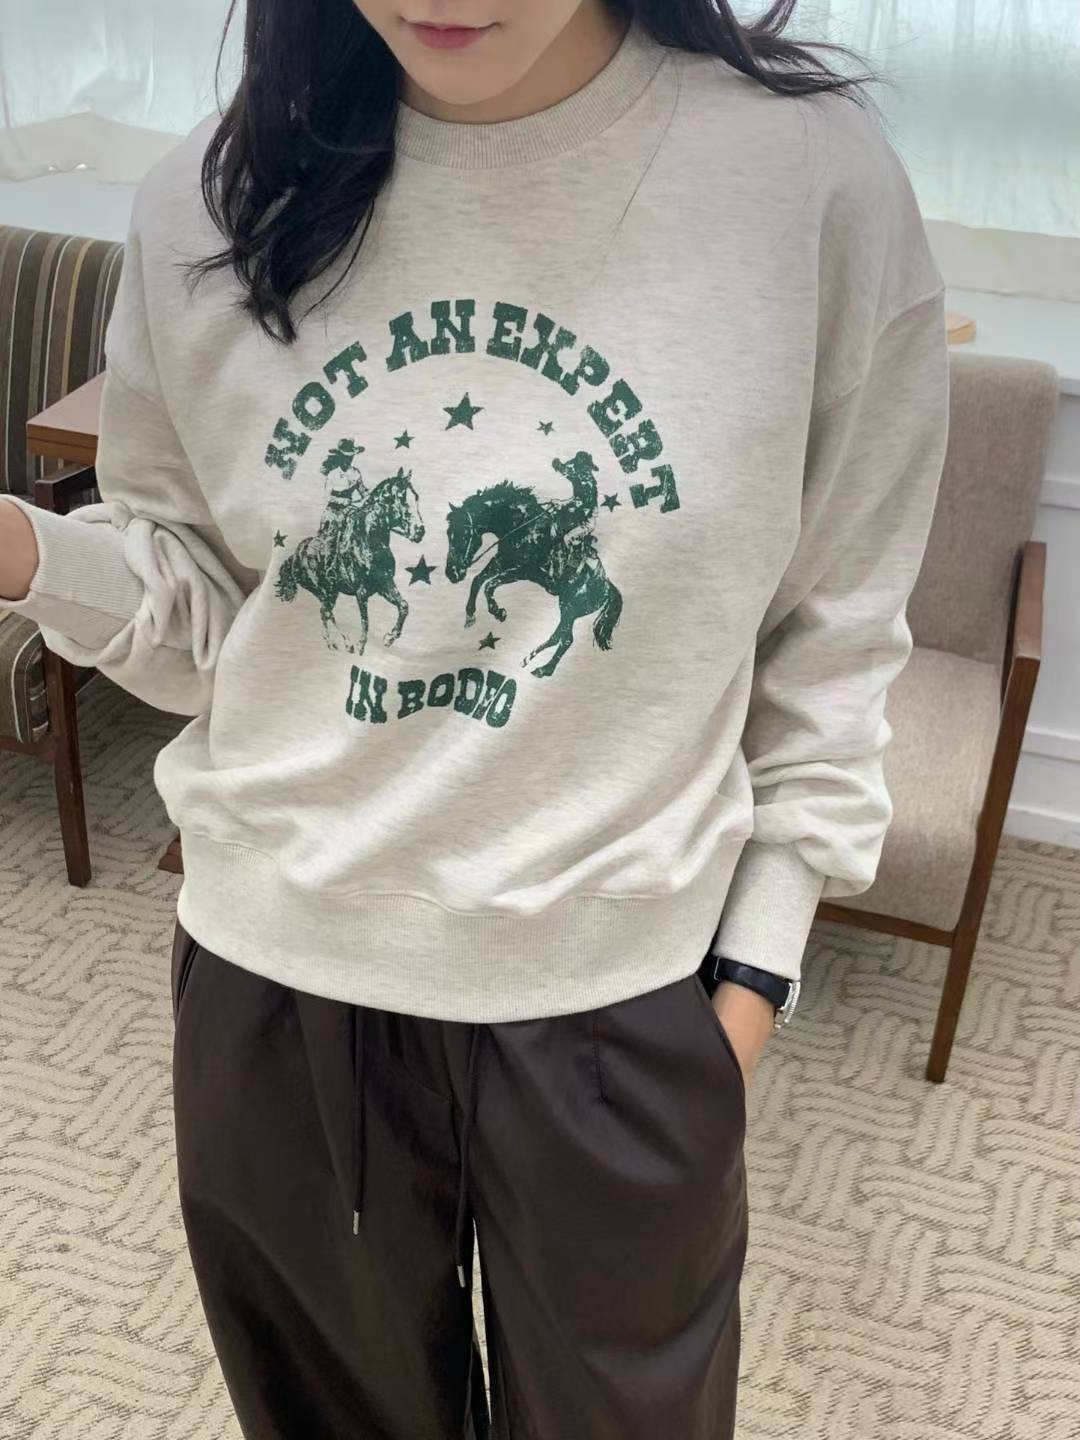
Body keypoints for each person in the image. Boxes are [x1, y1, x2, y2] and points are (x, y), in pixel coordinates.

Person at [0, 1, 950, 1435]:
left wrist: (749, 984)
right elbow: (212, 618)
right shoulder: (212, 195)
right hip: (279, 982)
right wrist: (23, 551)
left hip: (623, 999)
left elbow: (835, 639)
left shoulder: (811, 183)